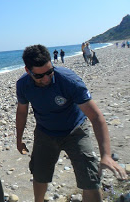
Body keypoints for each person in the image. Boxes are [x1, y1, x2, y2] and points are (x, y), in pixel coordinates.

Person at [15, 45, 127, 202]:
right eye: (39, 76)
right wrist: (18, 139)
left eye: (49, 72)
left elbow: (95, 116)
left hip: (75, 130)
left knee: (90, 179)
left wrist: (106, 155)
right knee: (40, 174)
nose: (46, 79)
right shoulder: (23, 85)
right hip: (45, 132)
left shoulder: (69, 81)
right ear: (28, 71)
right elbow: (21, 112)